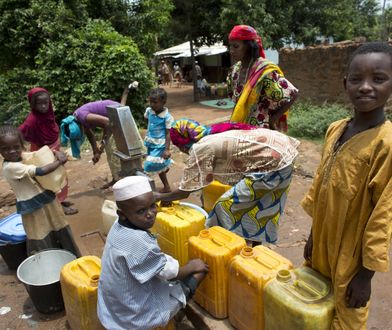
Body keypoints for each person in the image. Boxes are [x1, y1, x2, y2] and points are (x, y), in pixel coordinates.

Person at [301, 42, 392, 329]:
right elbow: (320, 187)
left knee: (346, 317)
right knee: (312, 307)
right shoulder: (335, 129)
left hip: (352, 255)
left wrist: (365, 276)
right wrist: (313, 235)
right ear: (345, 84)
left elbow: (382, 217)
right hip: (322, 244)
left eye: (378, 79)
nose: (365, 87)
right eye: (356, 79)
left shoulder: (386, 144)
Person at [155, 119, 299, 245]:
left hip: (274, 163)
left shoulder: (201, 148)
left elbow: (185, 191)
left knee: (224, 207)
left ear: (182, 145)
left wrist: (157, 197)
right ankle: (254, 247)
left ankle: (226, 248)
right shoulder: (211, 134)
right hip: (282, 151)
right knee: (259, 206)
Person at [97, 176, 209, 329]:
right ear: (122, 214)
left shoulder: (118, 226)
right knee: (198, 271)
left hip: (114, 309)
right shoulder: (138, 242)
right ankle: (174, 311)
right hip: (136, 318)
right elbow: (171, 273)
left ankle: (176, 310)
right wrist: (192, 265)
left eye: (152, 206)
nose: (150, 214)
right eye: (141, 211)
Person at [0, 125, 81, 257]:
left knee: (58, 225)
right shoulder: (10, 167)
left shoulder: (21, 156)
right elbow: (40, 171)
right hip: (31, 206)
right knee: (40, 233)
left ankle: (69, 256)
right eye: (6, 149)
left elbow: (38, 154)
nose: (12, 151)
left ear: (22, 146)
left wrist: (55, 153)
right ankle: (46, 262)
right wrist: (59, 162)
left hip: (45, 197)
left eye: (16, 147)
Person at [227, 25, 298, 132]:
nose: (231, 51)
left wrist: (273, 120)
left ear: (249, 46)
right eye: (230, 46)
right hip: (239, 127)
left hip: (260, 131)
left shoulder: (264, 71)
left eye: (236, 46)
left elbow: (293, 94)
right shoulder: (234, 70)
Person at [19, 87, 77, 215]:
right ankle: (57, 207)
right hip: (42, 153)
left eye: (46, 102)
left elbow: (53, 130)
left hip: (54, 149)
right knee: (50, 180)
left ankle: (60, 201)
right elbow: (19, 133)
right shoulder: (32, 120)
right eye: (40, 103)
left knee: (60, 176)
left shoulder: (48, 114)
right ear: (33, 104)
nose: (44, 106)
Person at [73, 87, 130, 189]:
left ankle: (122, 181)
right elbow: (90, 135)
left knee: (114, 153)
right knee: (110, 153)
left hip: (115, 118)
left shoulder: (81, 116)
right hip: (114, 116)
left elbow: (108, 123)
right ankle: (116, 179)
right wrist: (96, 152)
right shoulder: (78, 118)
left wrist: (103, 143)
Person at [143, 88, 174, 192]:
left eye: (155, 102)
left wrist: (167, 149)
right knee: (159, 166)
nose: (152, 104)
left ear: (163, 102)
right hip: (151, 143)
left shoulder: (167, 117)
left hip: (161, 144)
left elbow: (168, 133)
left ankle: (164, 184)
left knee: (149, 164)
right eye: (150, 101)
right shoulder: (149, 111)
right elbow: (147, 120)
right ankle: (166, 186)